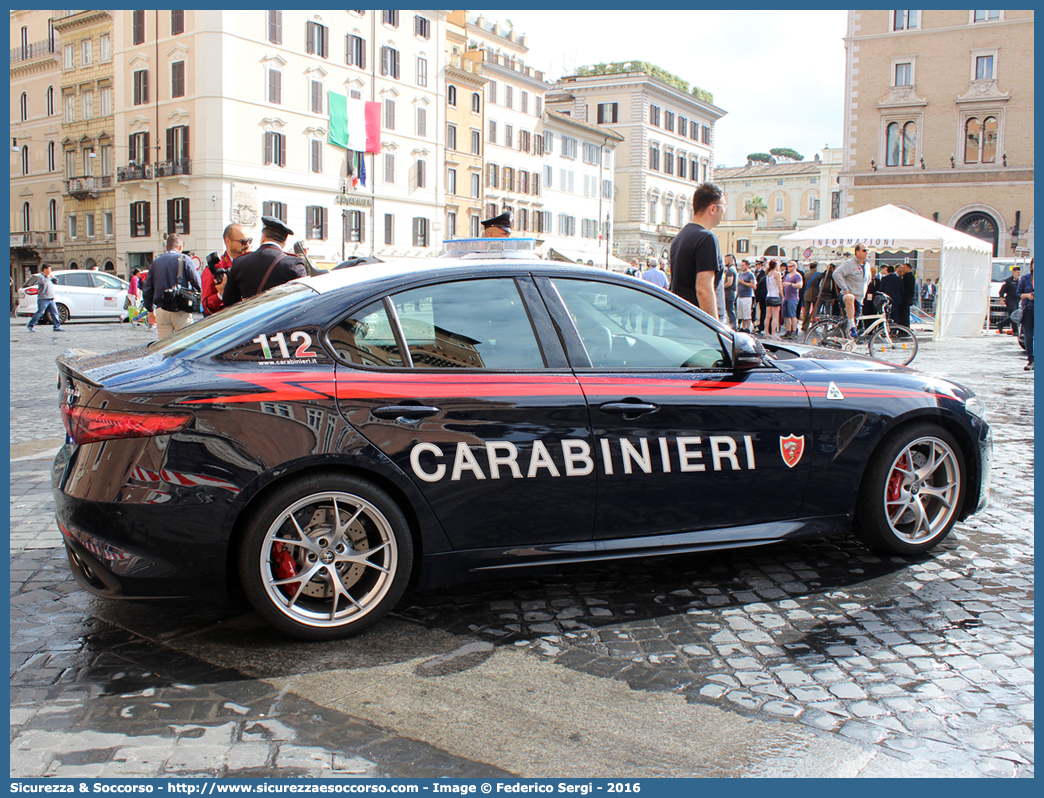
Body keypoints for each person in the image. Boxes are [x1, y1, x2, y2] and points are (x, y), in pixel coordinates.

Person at [668, 183, 726, 319]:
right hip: (697, 324)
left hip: (682, 318)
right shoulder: (707, 238)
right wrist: (715, 329)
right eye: (723, 207)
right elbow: (704, 289)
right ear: (713, 208)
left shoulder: (681, 236)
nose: (724, 212)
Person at [223, 216, 308, 307]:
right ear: (284, 243)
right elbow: (305, 298)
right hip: (280, 318)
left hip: (250, 318)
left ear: (263, 237)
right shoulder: (293, 264)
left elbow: (229, 302)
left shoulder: (239, 262)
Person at [142, 233, 201, 338]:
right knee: (184, 343)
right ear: (180, 247)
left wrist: (150, 310)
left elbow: (147, 289)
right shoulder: (184, 259)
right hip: (180, 308)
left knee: (164, 347)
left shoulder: (156, 263)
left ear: (166, 247)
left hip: (161, 309)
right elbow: (197, 282)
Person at [203, 223, 251, 316]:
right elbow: (206, 307)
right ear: (228, 242)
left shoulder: (250, 264)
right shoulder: (214, 269)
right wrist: (220, 294)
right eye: (243, 242)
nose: (247, 246)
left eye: (249, 241)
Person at [834, 244, 870, 338]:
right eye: (864, 250)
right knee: (850, 297)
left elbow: (868, 280)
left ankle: (848, 342)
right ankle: (852, 327)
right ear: (857, 252)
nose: (867, 252)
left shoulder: (867, 265)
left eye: (867, 250)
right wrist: (845, 288)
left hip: (860, 298)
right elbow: (836, 273)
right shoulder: (850, 263)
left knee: (855, 323)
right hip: (847, 296)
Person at [25, 263, 64, 332]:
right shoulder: (41, 277)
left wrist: (53, 278)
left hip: (51, 298)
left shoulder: (49, 277)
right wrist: (48, 276)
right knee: (40, 312)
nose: (50, 271)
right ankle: (31, 325)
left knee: (55, 312)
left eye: (50, 269)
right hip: (43, 299)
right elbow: (44, 283)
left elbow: (55, 282)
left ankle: (56, 326)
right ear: (44, 269)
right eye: (49, 269)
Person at [1017, 258, 1034, 370]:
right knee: (1028, 336)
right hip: (1028, 309)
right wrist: (1027, 295)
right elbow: (1018, 294)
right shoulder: (1025, 278)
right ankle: (1031, 360)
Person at [781, 260, 803, 339]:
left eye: (790, 266)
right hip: (786, 297)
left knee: (792, 315)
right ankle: (788, 330)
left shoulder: (797, 275)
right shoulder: (787, 275)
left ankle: (794, 331)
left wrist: (790, 284)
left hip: (793, 298)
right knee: (786, 315)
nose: (788, 268)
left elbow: (800, 285)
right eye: (788, 266)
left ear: (794, 267)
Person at [998, 265, 1022, 336]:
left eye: (1019, 272)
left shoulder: (1019, 281)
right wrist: (1002, 299)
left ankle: (1001, 324)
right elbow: (1002, 291)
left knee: (1014, 315)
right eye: (1017, 272)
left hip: (1016, 300)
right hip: (1010, 300)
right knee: (1014, 314)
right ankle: (1015, 331)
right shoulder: (1008, 281)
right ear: (1013, 272)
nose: (1018, 274)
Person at [799, 261, 822, 333]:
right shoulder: (819, 274)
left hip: (806, 294)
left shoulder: (806, 274)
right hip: (815, 293)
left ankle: (805, 325)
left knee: (806, 310)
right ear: (816, 267)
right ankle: (813, 324)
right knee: (815, 310)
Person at [763, 259, 783, 337]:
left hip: (768, 296)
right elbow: (779, 286)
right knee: (775, 316)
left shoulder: (768, 274)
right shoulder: (776, 273)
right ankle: (773, 333)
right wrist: (783, 295)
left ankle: (766, 332)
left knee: (768, 316)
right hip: (775, 296)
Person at [735, 258, 756, 332]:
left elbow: (753, 285)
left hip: (747, 296)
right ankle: (743, 327)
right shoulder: (740, 274)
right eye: (741, 265)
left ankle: (747, 327)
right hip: (740, 296)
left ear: (747, 266)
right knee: (741, 313)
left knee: (747, 312)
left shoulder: (750, 275)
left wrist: (743, 282)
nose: (742, 266)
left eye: (743, 265)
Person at [898, 262, 916, 328]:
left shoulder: (907, 277)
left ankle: (904, 328)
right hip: (907, 299)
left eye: (904, 268)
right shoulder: (910, 276)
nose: (903, 270)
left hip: (905, 299)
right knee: (905, 314)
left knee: (904, 315)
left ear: (909, 268)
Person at [722, 253, 738, 328]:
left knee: (730, 311)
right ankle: (733, 326)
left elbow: (729, 282)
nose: (725, 261)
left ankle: (733, 327)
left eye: (726, 260)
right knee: (730, 310)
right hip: (732, 292)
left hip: (729, 292)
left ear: (730, 260)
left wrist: (722, 287)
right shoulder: (734, 269)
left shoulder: (730, 270)